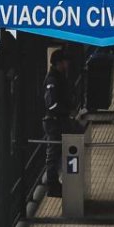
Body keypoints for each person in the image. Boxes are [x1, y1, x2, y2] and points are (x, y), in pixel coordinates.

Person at [42, 50, 75, 197]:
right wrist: (67, 111)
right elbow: (52, 104)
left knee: (59, 151)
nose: (67, 64)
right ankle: (52, 185)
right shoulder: (52, 80)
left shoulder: (60, 77)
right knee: (53, 153)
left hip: (60, 120)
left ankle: (58, 182)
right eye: (64, 61)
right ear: (58, 63)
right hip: (54, 122)